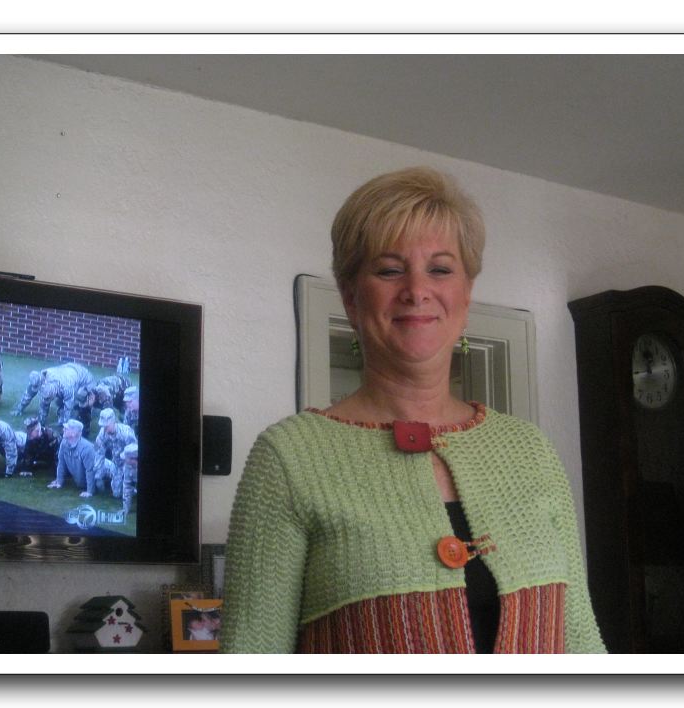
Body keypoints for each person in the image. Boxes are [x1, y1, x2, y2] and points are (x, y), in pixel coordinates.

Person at [220, 167, 605, 654]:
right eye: (389, 270)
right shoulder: (289, 458)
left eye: (440, 269)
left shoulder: (530, 452)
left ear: (466, 295)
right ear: (351, 297)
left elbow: (581, 643)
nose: (417, 290)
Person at [37, 363, 94, 428]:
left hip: (84, 381)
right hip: (70, 372)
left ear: (54, 393)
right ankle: (61, 420)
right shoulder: (45, 378)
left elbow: (68, 408)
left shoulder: (67, 388)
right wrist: (41, 422)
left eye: (48, 398)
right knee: (60, 401)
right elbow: (44, 403)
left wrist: (65, 426)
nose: (47, 399)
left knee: (79, 400)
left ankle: (84, 422)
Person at [47, 419, 96, 495]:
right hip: (81, 479)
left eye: (66, 429)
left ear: (73, 433)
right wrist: (59, 482)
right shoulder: (64, 443)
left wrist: (90, 492)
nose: (63, 429)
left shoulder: (87, 448)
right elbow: (61, 463)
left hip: (99, 473)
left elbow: (90, 470)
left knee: (100, 484)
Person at [94, 408, 137, 488]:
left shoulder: (126, 432)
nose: (104, 428)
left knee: (122, 490)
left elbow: (134, 453)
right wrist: (98, 476)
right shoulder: (102, 433)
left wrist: (126, 470)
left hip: (128, 463)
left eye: (106, 426)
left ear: (113, 422)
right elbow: (99, 453)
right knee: (116, 490)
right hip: (115, 463)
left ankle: (131, 483)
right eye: (103, 426)